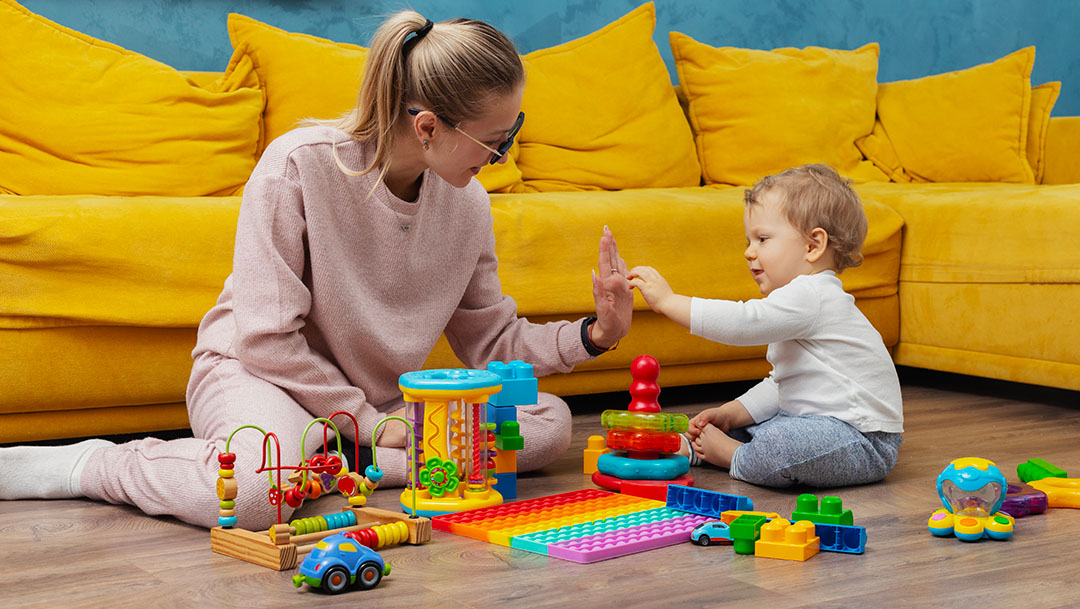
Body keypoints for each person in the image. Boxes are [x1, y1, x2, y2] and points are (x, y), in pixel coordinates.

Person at [0, 12, 634, 528]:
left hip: (369, 407)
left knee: (547, 429)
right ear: (429, 126)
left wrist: (593, 334)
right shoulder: (297, 167)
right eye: (498, 136)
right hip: (260, 376)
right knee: (252, 497)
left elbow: (489, 343)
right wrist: (376, 424)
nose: (506, 151)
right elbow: (267, 340)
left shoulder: (466, 204)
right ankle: (96, 466)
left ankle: (340, 460)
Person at [627, 164, 902, 488]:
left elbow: (742, 323)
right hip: (810, 425)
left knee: (780, 443)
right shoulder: (801, 301)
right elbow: (781, 386)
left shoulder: (813, 295)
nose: (748, 251)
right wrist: (730, 414)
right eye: (749, 240)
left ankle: (734, 456)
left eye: (762, 238)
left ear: (813, 246)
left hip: (863, 440)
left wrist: (669, 302)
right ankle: (697, 446)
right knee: (749, 425)